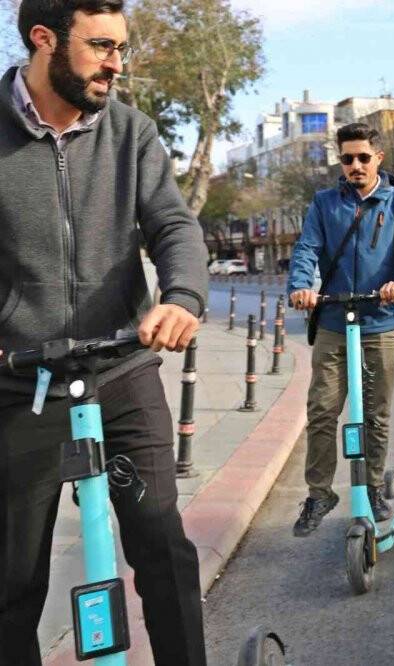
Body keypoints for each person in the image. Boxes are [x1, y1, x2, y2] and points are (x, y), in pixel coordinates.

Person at [0, 2, 209, 664]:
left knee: (163, 547)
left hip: (122, 370)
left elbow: (172, 225)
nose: (116, 62)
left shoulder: (130, 132)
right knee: (11, 579)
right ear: (44, 40)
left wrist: (180, 297)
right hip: (19, 383)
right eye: (100, 46)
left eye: (121, 47)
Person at [287, 123, 394, 535]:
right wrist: (300, 286)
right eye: (347, 158)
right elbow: (307, 249)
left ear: (378, 158)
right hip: (333, 321)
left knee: (375, 415)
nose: (355, 165)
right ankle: (319, 493)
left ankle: (372, 488)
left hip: (380, 321)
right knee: (322, 410)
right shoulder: (324, 203)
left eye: (363, 157)